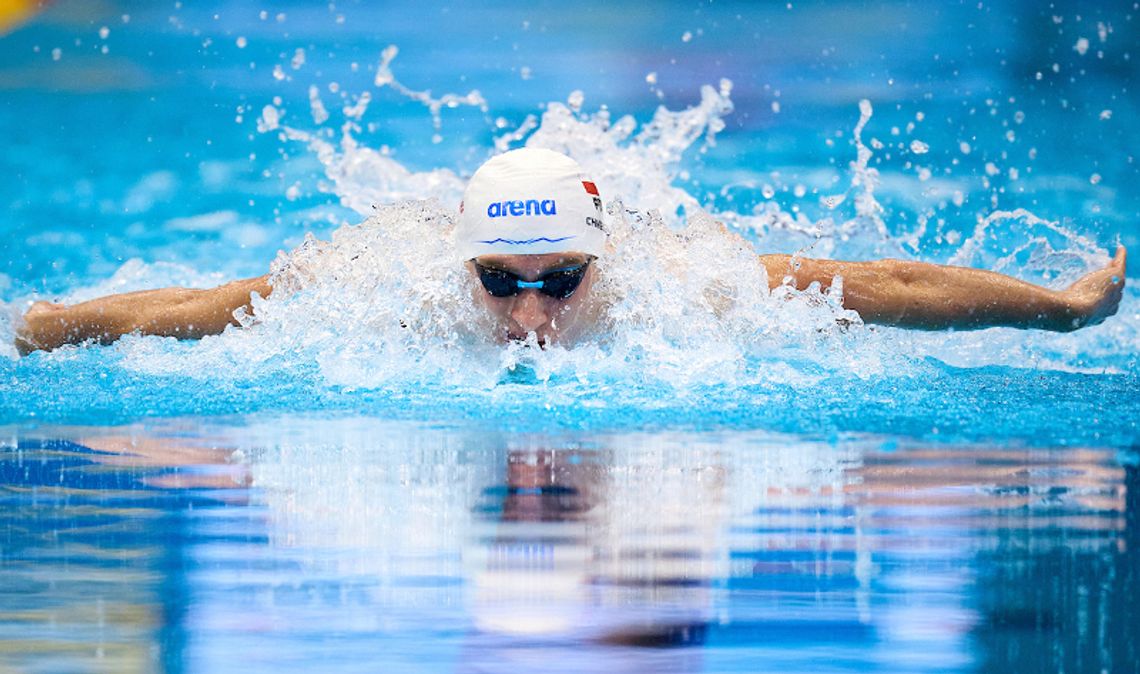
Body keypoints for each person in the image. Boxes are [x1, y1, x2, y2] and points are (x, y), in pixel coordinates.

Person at [13, 148, 1128, 355]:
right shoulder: (376, 291)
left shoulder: (684, 289)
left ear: (605, 261)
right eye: (501, 282)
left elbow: (885, 285)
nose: (530, 314)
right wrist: (55, 324)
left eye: (560, 279)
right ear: (462, 269)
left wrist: (1062, 309)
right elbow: (206, 305)